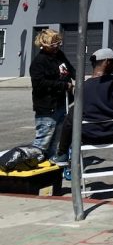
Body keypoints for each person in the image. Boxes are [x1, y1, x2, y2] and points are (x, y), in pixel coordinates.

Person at [29, 29, 75, 159]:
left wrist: (79, 78)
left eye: (58, 43)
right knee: (43, 140)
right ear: (44, 45)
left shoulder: (59, 55)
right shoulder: (39, 62)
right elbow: (40, 84)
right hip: (47, 107)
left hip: (62, 104)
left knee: (58, 138)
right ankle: (34, 162)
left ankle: (51, 162)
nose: (57, 47)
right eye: (53, 44)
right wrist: (63, 85)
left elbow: (69, 69)